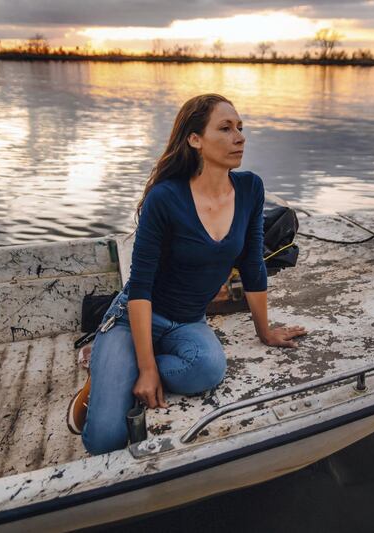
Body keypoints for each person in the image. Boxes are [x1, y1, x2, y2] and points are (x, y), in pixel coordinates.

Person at [67, 93, 307, 455]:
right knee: (105, 439)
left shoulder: (250, 188)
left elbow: (254, 264)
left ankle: (114, 371)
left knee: (208, 370)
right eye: (225, 129)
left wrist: (265, 331)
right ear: (195, 139)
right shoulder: (165, 198)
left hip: (188, 322)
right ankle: (106, 369)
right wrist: (147, 370)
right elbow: (141, 288)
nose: (239, 137)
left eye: (240, 128)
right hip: (132, 320)